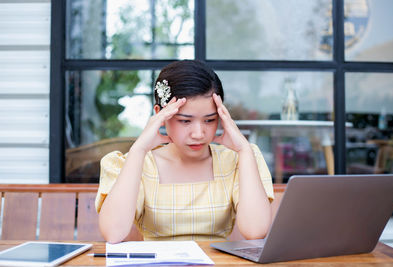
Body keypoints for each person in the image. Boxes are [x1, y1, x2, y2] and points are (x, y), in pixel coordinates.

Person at [95, 60, 274, 243]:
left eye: (210, 120)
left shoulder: (237, 160)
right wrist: (138, 150)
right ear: (160, 115)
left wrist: (244, 150)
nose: (198, 134)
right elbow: (113, 233)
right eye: (185, 121)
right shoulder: (138, 164)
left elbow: (255, 231)